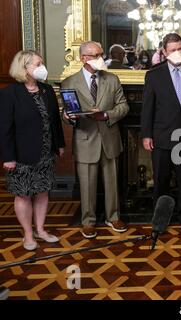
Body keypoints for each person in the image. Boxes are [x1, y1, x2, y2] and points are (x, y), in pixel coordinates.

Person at [61, 41, 130, 239]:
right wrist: (68, 117)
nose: (101, 58)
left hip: (109, 138)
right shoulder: (69, 82)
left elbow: (123, 107)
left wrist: (106, 115)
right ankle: (88, 221)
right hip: (85, 139)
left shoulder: (112, 79)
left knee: (112, 183)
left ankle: (113, 217)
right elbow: (66, 113)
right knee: (87, 185)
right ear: (83, 58)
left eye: (102, 54)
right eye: (96, 55)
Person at [0, 50, 65, 250]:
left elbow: (54, 120)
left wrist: (60, 144)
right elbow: (4, 128)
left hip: (46, 152)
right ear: (24, 67)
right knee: (24, 194)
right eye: (38, 64)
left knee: (43, 192)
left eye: (41, 63)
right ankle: (28, 234)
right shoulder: (10, 93)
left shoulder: (46, 90)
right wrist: (8, 157)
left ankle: (41, 229)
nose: (41, 67)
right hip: (21, 154)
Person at [141, 33, 181, 233]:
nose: (178, 53)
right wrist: (146, 135)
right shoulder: (153, 75)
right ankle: (161, 218)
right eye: (173, 50)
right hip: (161, 136)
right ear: (163, 52)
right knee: (161, 181)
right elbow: (148, 108)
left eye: (180, 49)